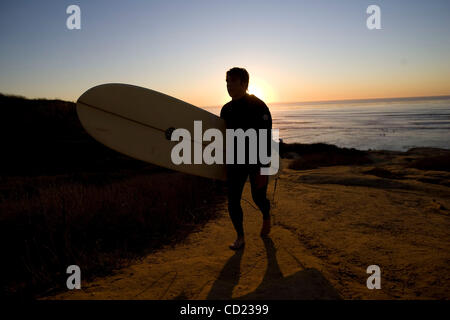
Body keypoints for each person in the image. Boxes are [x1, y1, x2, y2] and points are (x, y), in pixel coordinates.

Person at [220, 67, 272, 250]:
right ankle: (240, 237)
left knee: (258, 198)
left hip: (257, 162)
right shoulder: (226, 110)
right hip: (235, 161)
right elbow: (222, 139)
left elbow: (266, 139)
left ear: (244, 83)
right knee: (233, 199)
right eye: (227, 81)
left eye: (232, 81)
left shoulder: (259, 107)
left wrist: (263, 169)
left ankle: (266, 214)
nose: (228, 85)